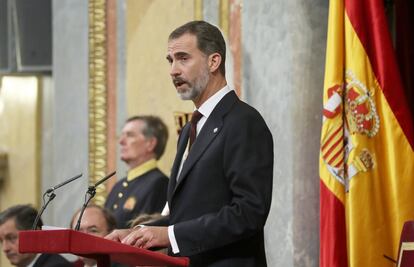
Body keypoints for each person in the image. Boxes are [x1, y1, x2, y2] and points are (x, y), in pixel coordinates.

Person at [106, 20, 274, 266]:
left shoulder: (243, 121)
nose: (173, 70)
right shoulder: (190, 128)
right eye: (170, 60)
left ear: (213, 61)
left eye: (183, 58)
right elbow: (188, 214)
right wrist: (138, 232)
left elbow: (249, 213)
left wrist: (171, 235)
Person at [105, 115, 169, 228]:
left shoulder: (160, 184)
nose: (121, 141)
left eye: (130, 135)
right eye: (122, 135)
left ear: (150, 143)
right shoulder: (119, 185)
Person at [0, 204, 72, 267]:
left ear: (36, 234)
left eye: (11, 238)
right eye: (1, 241)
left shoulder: (57, 265)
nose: (5, 248)